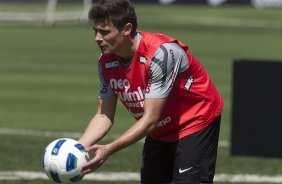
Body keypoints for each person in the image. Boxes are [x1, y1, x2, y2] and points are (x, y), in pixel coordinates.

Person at [78, 0, 224, 183]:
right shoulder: (106, 61)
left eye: (104, 32)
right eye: (95, 31)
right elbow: (103, 115)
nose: (97, 38)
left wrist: (109, 149)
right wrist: (76, 149)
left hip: (195, 120)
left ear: (126, 29)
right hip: (160, 129)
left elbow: (150, 119)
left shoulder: (160, 54)